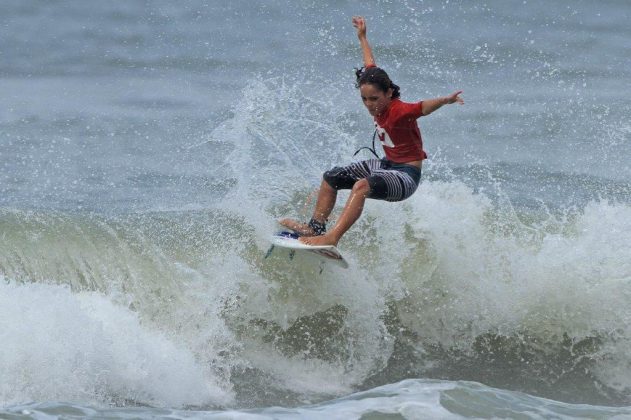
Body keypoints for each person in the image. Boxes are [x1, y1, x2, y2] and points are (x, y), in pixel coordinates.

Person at [280, 16, 464, 247]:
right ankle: (314, 227)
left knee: (361, 186)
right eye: (364, 99)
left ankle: (331, 238)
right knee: (331, 177)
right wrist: (363, 37)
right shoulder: (375, 87)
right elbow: (370, 65)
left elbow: (423, 107)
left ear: (388, 92)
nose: (369, 105)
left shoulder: (400, 110)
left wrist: (446, 100)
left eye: (374, 99)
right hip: (387, 165)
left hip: (406, 176)